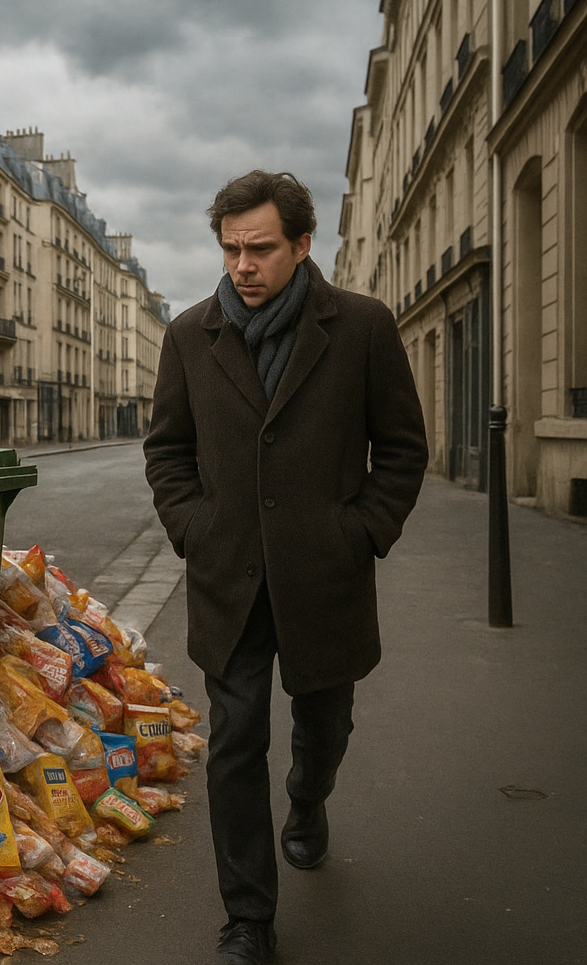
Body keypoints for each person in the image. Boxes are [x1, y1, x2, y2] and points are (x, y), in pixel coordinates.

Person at [143, 171, 427, 964]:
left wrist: (361, 531)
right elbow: (167, 451)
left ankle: (308, 802)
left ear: (303, 246)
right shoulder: (190, 334)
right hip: (226, 577)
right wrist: (193, 528)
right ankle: (248, 918)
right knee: (233, 741)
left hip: (324, 575)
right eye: (231, 248)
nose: (242, 265)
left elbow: (402, 449)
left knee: (325, 724)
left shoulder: (362, 327)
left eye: (260, 248)